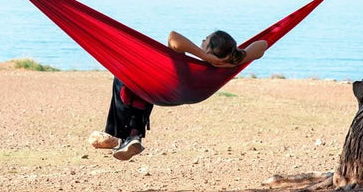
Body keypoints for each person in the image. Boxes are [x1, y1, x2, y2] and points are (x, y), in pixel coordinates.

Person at [89, 30, 268, 161]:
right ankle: (133, 136)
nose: (202, 39)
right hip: (191, 94)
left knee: (125, 75)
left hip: (168, 89)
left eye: (206, 40)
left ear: (210, 49)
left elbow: (173, 37)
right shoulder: (229, 64)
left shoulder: (199, 62)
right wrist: (238, 57)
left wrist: (203, 57)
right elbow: (263, 45)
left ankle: (119, 134)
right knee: (139, 85)